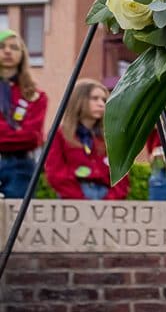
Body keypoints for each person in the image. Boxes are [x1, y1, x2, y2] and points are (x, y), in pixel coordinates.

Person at [45, 79, 129, 200]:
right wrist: (79, 197)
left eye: (104, 100)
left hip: (106, 194)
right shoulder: (59, 134)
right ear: (78, 100)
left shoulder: (109, 137)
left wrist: (111, 198)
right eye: (95, 98)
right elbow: (55, 172)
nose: (101, 104)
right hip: (73, 195)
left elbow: (121, 173)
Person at [0, 30, 48, 199]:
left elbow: (33, 136)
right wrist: (16, 132)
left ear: (22, 54)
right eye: (2, 46)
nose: (7, 51)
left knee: (18, 219)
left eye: (13, 47)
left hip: (21, 167)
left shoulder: (36, 96)